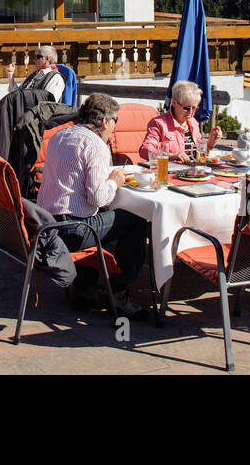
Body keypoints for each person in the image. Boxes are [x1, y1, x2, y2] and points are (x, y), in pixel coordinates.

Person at [36, 93, 149, 320]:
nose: (115, 127)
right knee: (135, 221)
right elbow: (98, 198)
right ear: (105, 121)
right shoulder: (95, 144)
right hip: (72, 230)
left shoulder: (60, 135)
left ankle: (84, 288)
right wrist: (114, 182)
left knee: (105, 217)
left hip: (47, 225)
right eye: (115, 121)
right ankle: (119, 293)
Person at [140, 80, 223, 162]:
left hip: (193, 170)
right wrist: (171, 156)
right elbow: (145, 150)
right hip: (171, 170)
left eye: (194, 108)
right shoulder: (159, 123)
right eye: (186, 108)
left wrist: (210, 143)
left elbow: (200, 155)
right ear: (174, 103)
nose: (190, 112)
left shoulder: (193, 122)